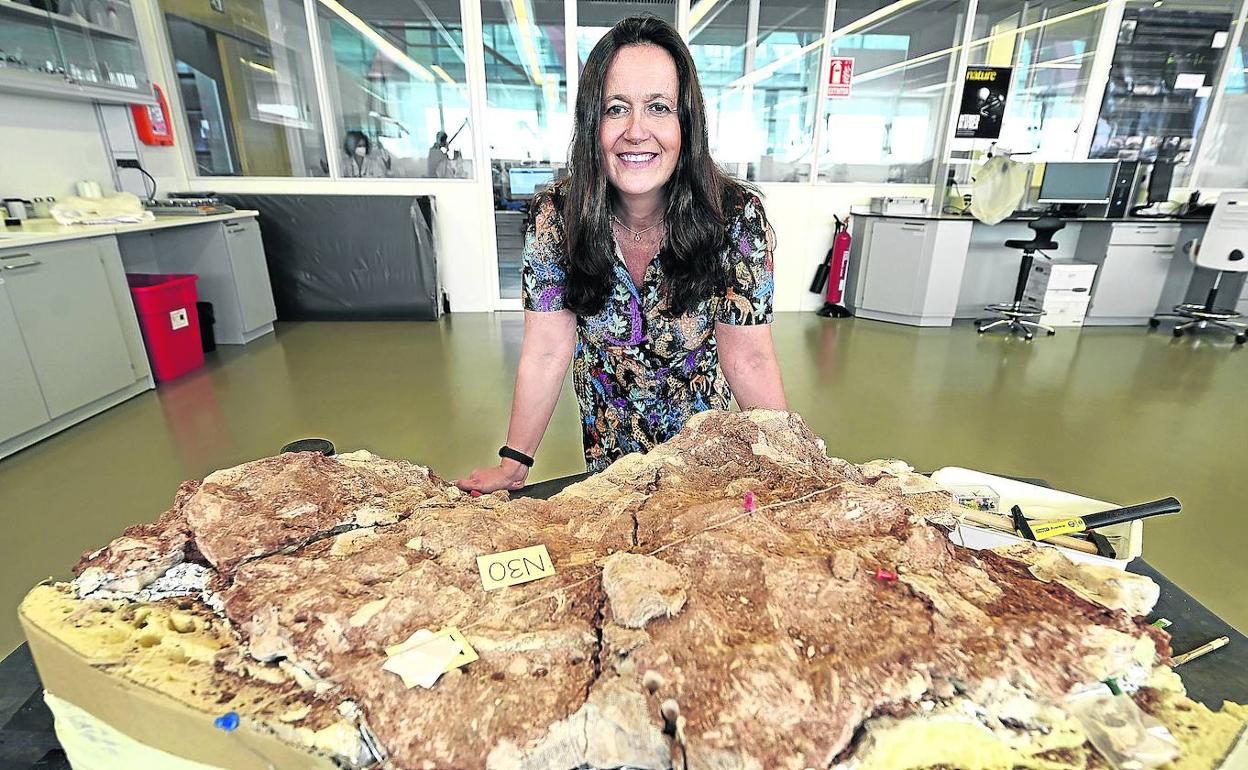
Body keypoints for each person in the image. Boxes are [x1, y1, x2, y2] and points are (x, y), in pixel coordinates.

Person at [456, 15, 786, 494]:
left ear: (685, 123)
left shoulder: (735, 219)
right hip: (606, 460)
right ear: (593, 124)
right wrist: (514, 463)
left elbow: (750, 360)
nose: (636, 130)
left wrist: (785, 462)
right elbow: (547, 349)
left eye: (658, 107)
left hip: (703, 461)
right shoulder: (556, 218)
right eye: (615, 108)